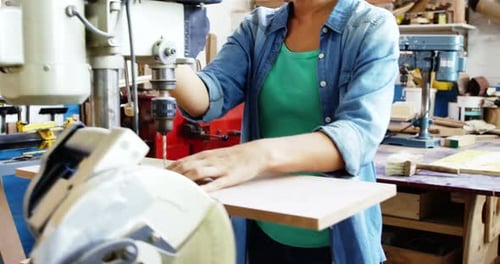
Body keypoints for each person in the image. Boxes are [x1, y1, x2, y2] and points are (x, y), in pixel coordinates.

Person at [167, 0, 399, 263]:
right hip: (263, 228)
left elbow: (358, 135)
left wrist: (256, 155)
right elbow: (209, 96)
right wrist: (160, 53)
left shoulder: (371, 26)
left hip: (339, 238)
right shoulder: (258, 28)